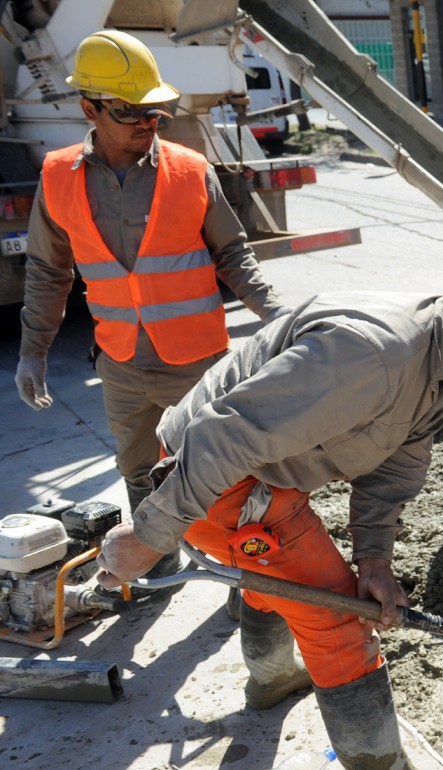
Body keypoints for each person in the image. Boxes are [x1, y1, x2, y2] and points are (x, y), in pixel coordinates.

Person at [91, 245, 443, 770]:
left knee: (272, 573)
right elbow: (224, 434)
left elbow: (397, 464)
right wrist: (151, 535)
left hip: (259, 469)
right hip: (216, 478)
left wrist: (374, 562)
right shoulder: (373, 355)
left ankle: (272, 678)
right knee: (338, 624)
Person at [14, 31, 285, 527]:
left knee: (222, 471)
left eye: (155, 110)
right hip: (119, 362)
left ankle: (249, 584)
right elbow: (49, 270)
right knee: (137, 471)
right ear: (89, 109)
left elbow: (232, 254)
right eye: (129, 111)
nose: (148, 122)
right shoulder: (57, 177)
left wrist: (280, 317)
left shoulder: (190, 170)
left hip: (196, 361)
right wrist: (33, 352)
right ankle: (154, 560)